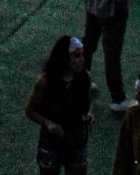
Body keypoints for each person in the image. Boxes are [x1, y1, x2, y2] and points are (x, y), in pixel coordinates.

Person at [24, 37, 93, 175]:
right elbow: (29, 110)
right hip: (52, 142)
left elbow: (88, 102)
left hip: (77, 139)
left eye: (82, 55)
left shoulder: (85, 77)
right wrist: (48, 123)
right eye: (76, 56)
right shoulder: (45, 81)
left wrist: (90, 113)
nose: (82, 60)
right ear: (64, 57)